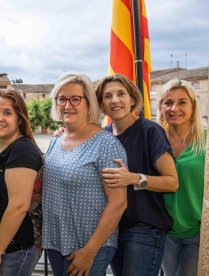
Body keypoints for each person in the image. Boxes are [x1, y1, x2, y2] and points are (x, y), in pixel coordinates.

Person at [43, 72, 128, 276]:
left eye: (75, 99)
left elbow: (118, 203)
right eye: (61, 99)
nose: (67, 105)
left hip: (89, 246)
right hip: (56, 243)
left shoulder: (106, 144)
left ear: (89, 102)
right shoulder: (56, 140)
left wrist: (89, 252)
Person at [95, 74, 179, 276]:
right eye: (108, 96)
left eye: (121, 94)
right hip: (114, 228)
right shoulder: (102, 136)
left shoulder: (150, 131)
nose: (115, 100)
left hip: (145, 229)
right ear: (101, 104)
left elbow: (172, 182)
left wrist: (133, 178)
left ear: (132, 99)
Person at [0, 90, 43, 276]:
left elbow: (19, 206)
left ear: (20, 119)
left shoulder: (22, 150)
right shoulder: (1, 147)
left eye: (7, 113)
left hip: (11, 249)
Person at [158, 80, 206, 276]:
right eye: (168, 102)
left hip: (196, 231)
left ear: (193, 106)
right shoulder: (155, 138)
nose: (174, 108)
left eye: (182, 102)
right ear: (160, 107)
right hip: (163, 231)